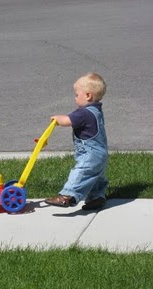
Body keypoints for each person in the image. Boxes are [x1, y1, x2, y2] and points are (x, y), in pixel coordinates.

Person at [45, 72, 108, 210]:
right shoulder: (96, 110)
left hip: (89, 155)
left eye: (76, 94)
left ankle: (66, 196)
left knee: (81, 173)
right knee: (95, 177)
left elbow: (67, 121)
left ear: (88, 95)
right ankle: (97, 197)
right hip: (101, 154)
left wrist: (57, 119)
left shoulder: (83, 113)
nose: (75, 98)